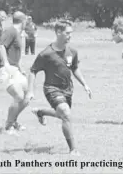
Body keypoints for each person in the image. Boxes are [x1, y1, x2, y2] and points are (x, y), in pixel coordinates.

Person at [28, 20, 91, 155]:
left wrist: (85, 84)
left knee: (63, 115)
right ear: (58, 32)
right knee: (65, 113)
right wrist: (30, 91)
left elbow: (75, 68)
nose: (70, 36)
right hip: (51, 88)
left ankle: (41, 112)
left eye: (71, 33)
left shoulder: (72, 51)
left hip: (68, 89)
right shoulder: (46, 54)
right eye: (67, 33)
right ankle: (73, 149)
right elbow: (33, 71)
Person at [0, 11, 30, 134]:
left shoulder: (18, 34)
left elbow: (17, 54)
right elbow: (0, 46)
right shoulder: (11, 31)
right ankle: (8, 126)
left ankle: (13, 121)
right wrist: (6, 64)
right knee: (18, 96)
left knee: (27, 97)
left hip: (15, 69)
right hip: (4, 68)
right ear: (23, 21)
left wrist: (21, 69)